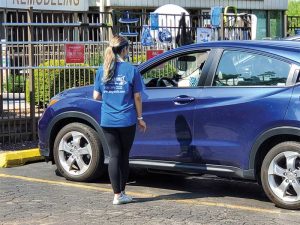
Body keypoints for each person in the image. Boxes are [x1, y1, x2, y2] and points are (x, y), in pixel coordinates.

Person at [93, 35, 147, 205]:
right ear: (124, 50)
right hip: (126, 119)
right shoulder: (132, 70)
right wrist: (140, 118)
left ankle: (117, 195)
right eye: (128, 48)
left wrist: (110, 98)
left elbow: (96, 96)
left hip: (107, 120)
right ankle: (122, 193)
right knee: (124, 156)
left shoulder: (102, 70)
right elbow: (137, 97)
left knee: (114, 156)